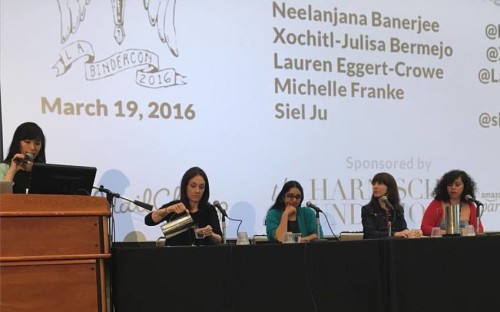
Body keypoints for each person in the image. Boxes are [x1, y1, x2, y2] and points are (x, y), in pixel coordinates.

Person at [144, 167, 222, 246]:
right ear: (185, 186)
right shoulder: (176, 206)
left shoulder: (209, 209)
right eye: (193, 186)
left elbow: (219, 239)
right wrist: (167, 210)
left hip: (201, 256)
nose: (197, 191)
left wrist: (211, 234)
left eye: (201, 187)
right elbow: (148, 220)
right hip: (175, 255)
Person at [421, 169, 484, 236]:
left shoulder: (470, 205)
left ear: (464, 186)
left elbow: (479, 229)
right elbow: (424, 228)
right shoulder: (437, 203)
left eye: (457, 185)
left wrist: (467, 232)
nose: (453, 187)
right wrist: (445, 233)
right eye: (450, 185)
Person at [361, 172, 418, 239]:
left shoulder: (397, 209)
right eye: (373, 184)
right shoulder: (367, 209)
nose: (375, 187)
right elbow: (370, 233)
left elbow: (403, 228)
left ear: (389, 187)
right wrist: (394, 234)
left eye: (379, 183)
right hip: (375, 246)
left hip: (395, 246)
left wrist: (410, 233)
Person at [0, 122, 46, 193]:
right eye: (27, 142)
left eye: (37, 143)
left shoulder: (43, 170)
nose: (33, 147)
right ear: (17, 143)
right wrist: (13, 169)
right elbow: (2, 195)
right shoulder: (3, 168)